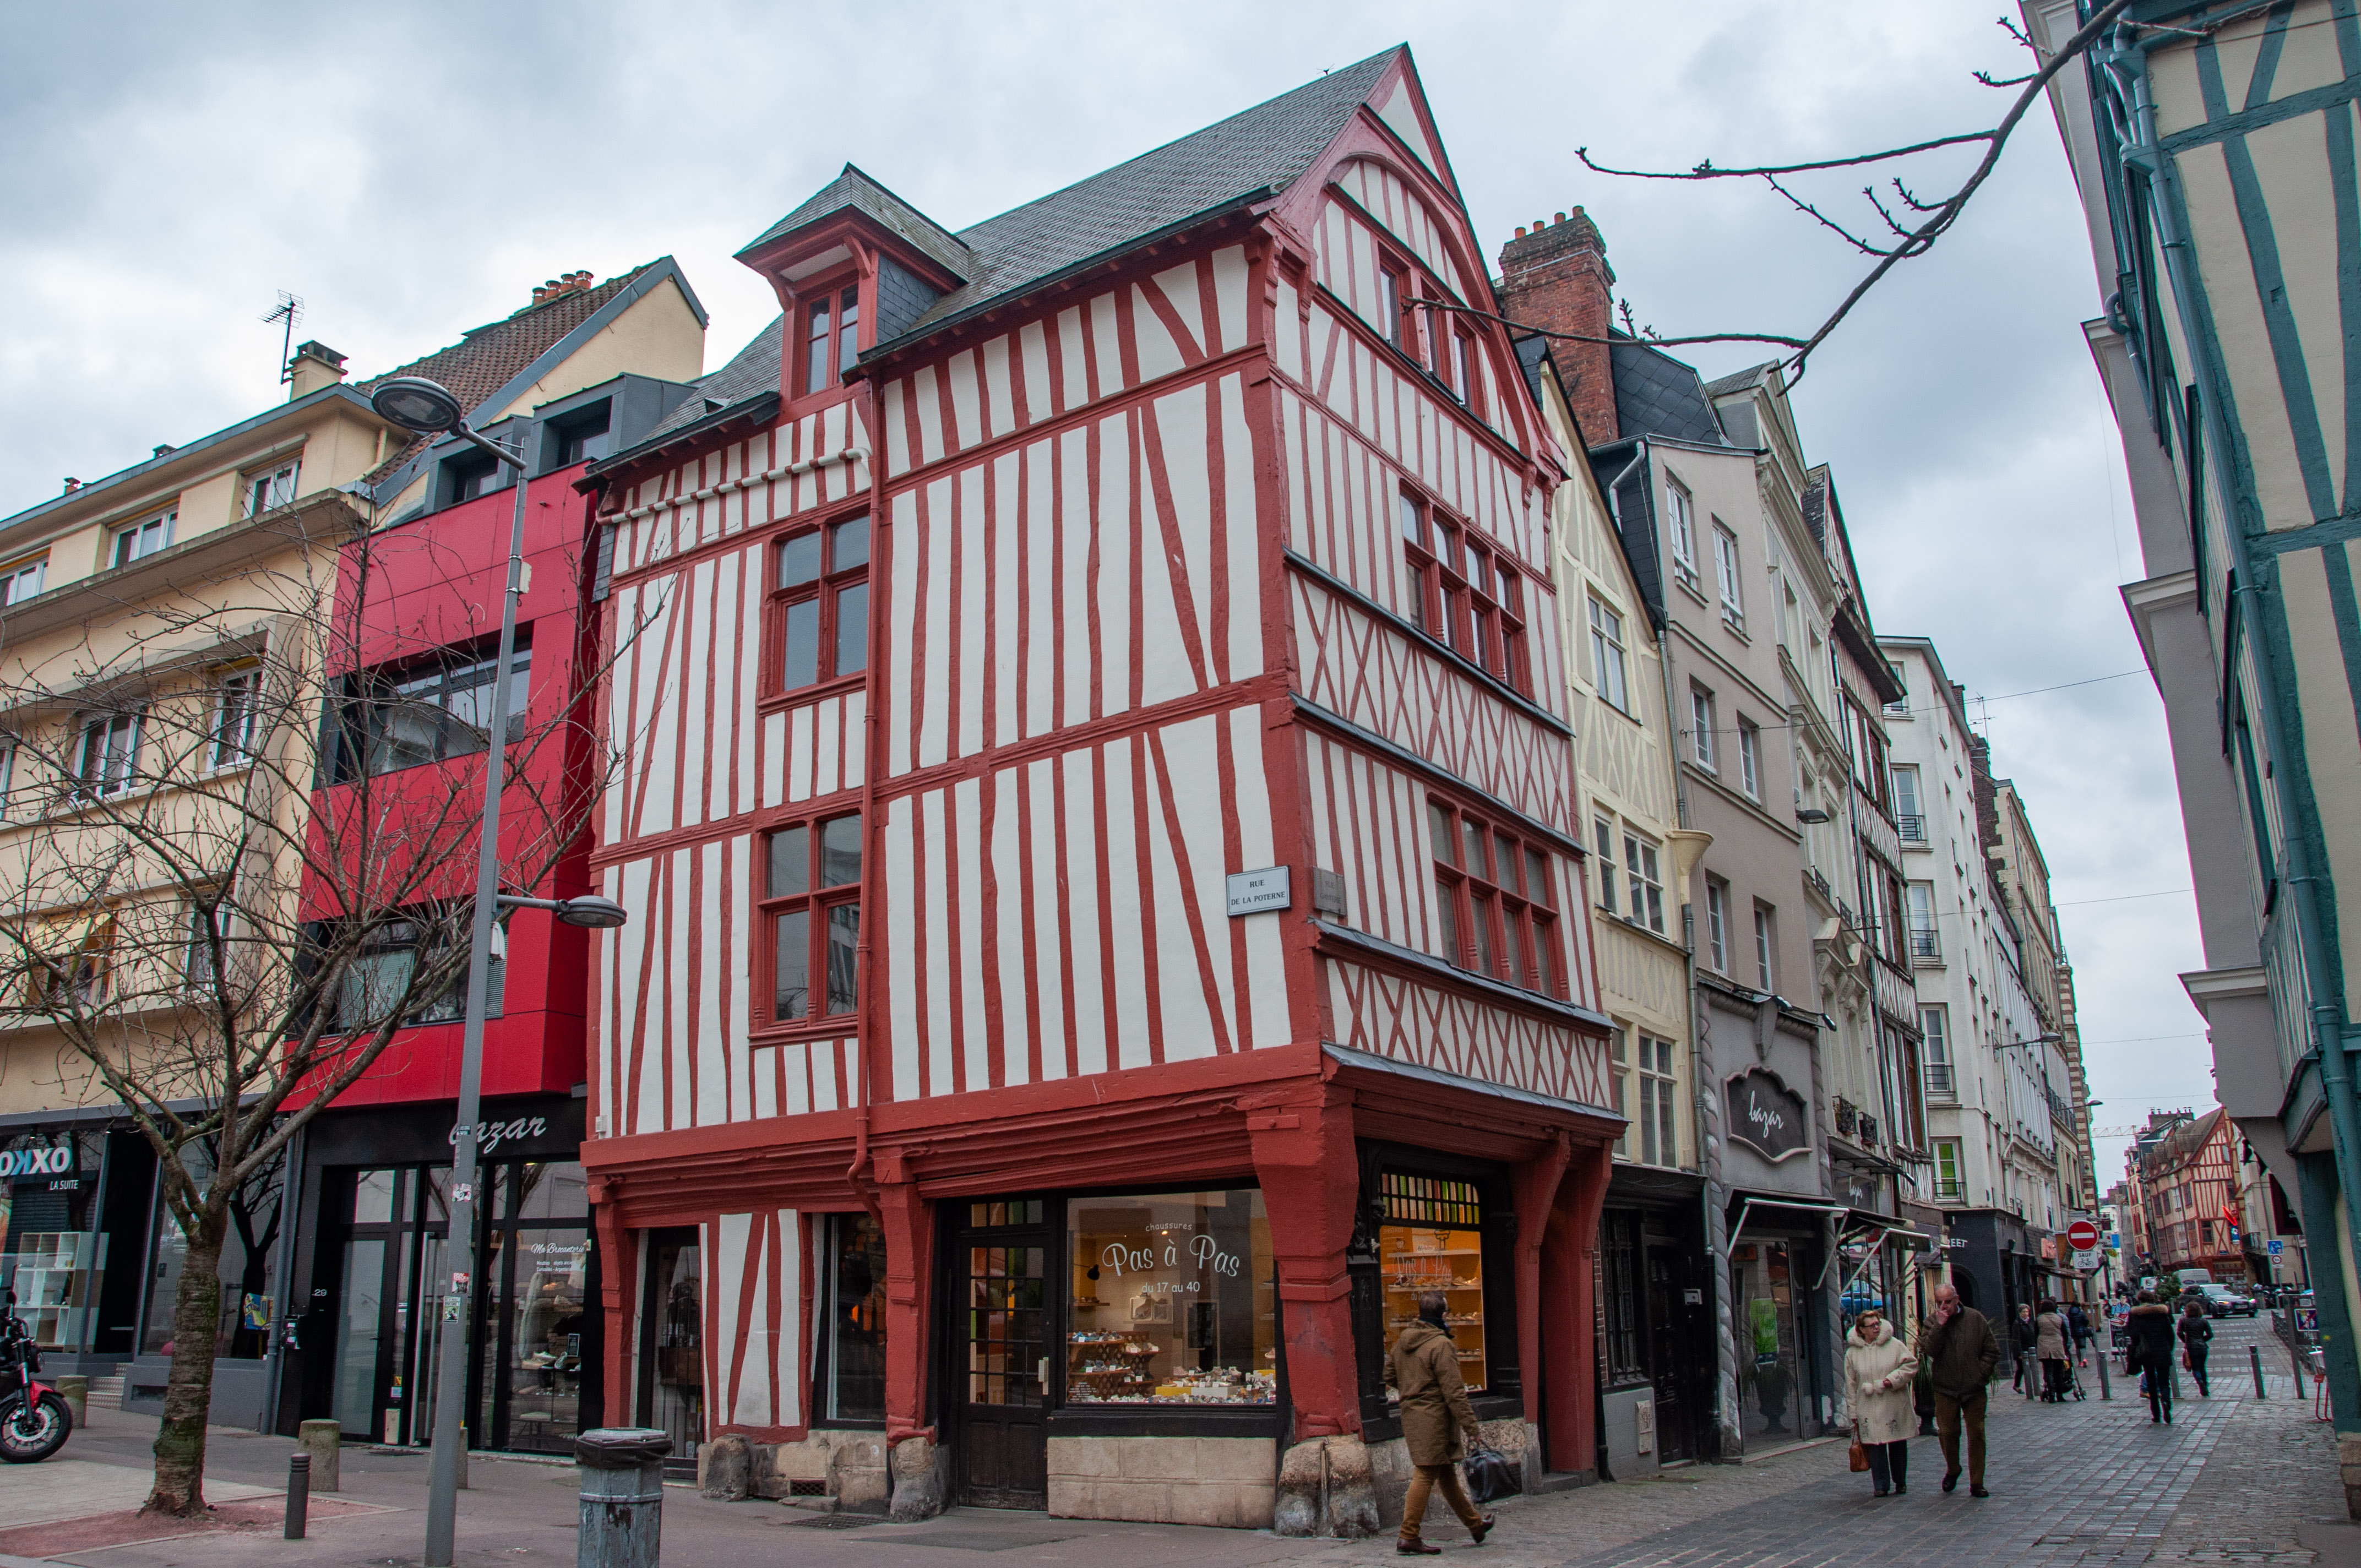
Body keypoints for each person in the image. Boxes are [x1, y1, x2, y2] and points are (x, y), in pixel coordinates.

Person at [1390, 1289, 1493, 1554]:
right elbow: (1454, 1392)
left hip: (1413, 1414)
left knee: (1446, 1474)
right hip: (1434, 1418)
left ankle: (1475, 1526)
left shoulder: (1403, 1341)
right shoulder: (1441, 1345)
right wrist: (1471, 1427)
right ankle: (1408, 1535)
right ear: (1443, 1315)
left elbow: (1389, 1375)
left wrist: (1413, 1390)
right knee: (1425, 1473)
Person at [1914, 1281, 2000, 1498]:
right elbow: (1928, 1350)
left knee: (1977, 1433)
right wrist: (1940, 1326)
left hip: (1974, 1388)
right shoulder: (1932, 1321)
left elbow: (1992, 1350)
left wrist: (1980, 1375)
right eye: (1940, 1303)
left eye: (1948, 1302)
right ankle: (1953, 1469)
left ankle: (1977, 1482)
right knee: (1948, 1433)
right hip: (1946, 1388)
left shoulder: (1975, 1319)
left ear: (1957, 1299)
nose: (1944, 1307)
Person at [1843, 1307, 1920, 1498]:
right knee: (1874, 1444)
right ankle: (1880, 1484)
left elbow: (1911, 1365)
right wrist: (1853, 1412)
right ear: (1862, 1330)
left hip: (1893, 1403)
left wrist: (1890, 1381)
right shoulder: (1853, 1353)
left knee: (1897, 1443)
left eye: (1878, 1324)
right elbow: (1851, 1384)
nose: (1876, 1328)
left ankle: (1900, 1481)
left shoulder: (1894, 1345)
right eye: (1871, 1326)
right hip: (1868, 1405)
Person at [2124, 1289, 2178, 1423]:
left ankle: (2156, 1414)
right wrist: (2169, 1349)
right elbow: (2170, 1335)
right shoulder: (2162, 1313)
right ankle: (2166, 1401)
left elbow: (2133, 1335)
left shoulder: (2136, 1314)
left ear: (2140, 1300)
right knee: (2164, 1382)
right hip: (2163, 1351)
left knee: (2151, 1383)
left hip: (2146, 1353)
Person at [2035, 1299, 2071, 1402]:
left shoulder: (2039, 1319)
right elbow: (2065, 1333)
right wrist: (2065, 1346)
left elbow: (2036, 1333)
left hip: (2044, 1346)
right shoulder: (2059, 1318)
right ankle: (2060, 1394)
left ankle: (2051, 1393)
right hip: (2057, 1345)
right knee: (2059, 1371)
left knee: (2048, 1370)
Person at [2178, 1301, 2214, 1398]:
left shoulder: (2184, 1321)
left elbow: (2179, 1333)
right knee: (2202, 1367)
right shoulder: (2203, 1321)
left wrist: (2185, 1341)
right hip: (2203, 1347)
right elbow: (2210, 1335)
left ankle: (2200, 1381)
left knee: (2195, 1368)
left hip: (2191, 1347)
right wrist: (2202, 1340)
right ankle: (2205, 1387)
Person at [2010, 1302, 2039, 1396]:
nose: (2026, 1314)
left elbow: (2035, 1335)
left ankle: (2035, 1385)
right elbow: (2016, 1339)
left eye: (2027, 1312)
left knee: (2033, 1367)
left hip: (2031, 1349)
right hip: (2022, 1350)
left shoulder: (2031, 1322)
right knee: (2021, 1369)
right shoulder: (2017, 1323)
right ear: (2020, 1313)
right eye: (2024, 1312)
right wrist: (2019, 1353)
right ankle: (2017, 1385)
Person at [2068, 1300, 2094, 1366]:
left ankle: (2080, 1362)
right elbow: (2086, 1322)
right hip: (2082, 1332)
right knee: (2083, 1346)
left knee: (2078, 1347)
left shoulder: (2069, 1314)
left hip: (2074, 1332)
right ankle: (2085, 1359)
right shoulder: (2081, 1313)